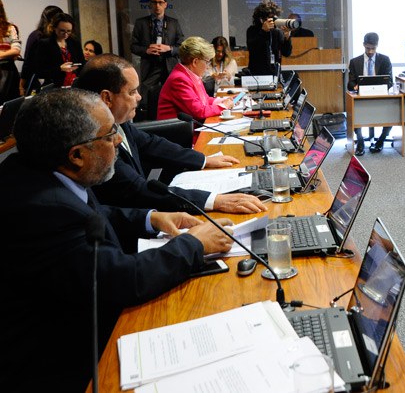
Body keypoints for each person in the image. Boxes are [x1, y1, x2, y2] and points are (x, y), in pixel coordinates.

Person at [0, 88, 233, 392]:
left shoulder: (41, 171)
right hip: (59, 361)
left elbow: (92, 216)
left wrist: (150, 218)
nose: (119, 141)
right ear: (77, 155)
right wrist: (194, 243)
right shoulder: (42, 209)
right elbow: (123, 280)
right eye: (110, 135)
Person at [75, 54, 267, 214]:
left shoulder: (119, 122)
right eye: (132, 92)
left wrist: (203, 160)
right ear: (107, 98)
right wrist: (213, 201)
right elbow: (138, 190)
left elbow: (151, 143)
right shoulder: (95, 141)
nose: (139, 97)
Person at [157, 37, 237, 122]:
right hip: (178, 129)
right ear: (195, 62)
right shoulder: (179, 79)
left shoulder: (190, 74)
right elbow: (199, 111)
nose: (207, 67)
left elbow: (205, 100)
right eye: (207, 62)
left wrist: (223, 101)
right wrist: (223, 106)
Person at [131, 0, 185, 114]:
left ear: (165, 4)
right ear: (150, 4)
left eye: (160, 2)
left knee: (173, 98)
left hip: (169, 65)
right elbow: (133, 47)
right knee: (146, 100)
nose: (157, 6)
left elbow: (182, 47)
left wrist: (169, 48)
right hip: (150, 66)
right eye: (154, 2)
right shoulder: (141, 23)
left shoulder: (173, 23)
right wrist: (146, 50)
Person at [347, 32, 393, 155]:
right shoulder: (355, 62)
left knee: (393, 111)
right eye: (368, 48)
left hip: (380, 96)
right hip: (361, 97)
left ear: (377, 46)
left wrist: (380, 88)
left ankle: (381, 141)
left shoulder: (385, 60)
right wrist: (355, 86)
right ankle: (360, 141)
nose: (371, 51)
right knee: (354, 111)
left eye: (373, 48)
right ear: (363, 45)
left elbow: (390, 82)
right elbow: (350, 83)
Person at [19, 4, 63, 95]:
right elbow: (28, 62)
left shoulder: (57, 37)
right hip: (40, 82)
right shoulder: (37, 36)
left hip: (54, 81)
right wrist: (21, 85)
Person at [34, 12, 85, 88]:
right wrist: (60, 69)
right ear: (54, 28)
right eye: (62, 31)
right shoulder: (45, 44)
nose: (66, 34)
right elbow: (39, 71)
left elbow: (82, 64)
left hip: (74, 84)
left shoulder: (74, 43)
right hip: (55, 86)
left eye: (69, 31)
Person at [246, 0, 293, 76]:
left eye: (275, 18)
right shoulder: (252, 30)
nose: (273, 21)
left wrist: (287, 37)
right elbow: (253, 48)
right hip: (256, 74)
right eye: (270, 18)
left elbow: (286, 53)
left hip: (274, 74)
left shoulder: (277, 32)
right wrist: (263, 31)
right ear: (262, 19)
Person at [0, 0, 22, 104]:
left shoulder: (10, 28)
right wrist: (7, 54)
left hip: (7, 72)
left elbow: (16, 50)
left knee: (9, 105)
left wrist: (1, 54)